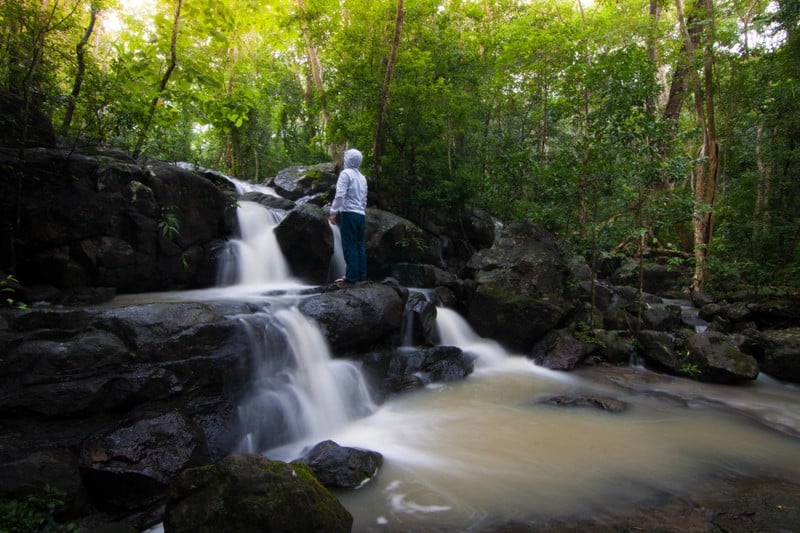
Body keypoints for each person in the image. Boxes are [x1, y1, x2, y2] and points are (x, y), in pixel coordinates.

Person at [329, 148, 368, 283]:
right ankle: (362, 276)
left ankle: (351, 277)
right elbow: (364, 199)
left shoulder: (345, 174)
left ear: (348, 160)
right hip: (360, 215)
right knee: (360, 246)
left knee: (349, 246)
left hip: (349, 214)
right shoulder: (362, 178)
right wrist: (361, 210)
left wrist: (333, 212)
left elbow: (340, 194)